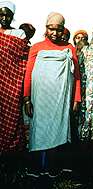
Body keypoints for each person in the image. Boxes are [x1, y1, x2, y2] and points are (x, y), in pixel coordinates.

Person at [23, 12, 81, 176]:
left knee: (58, 131)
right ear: (46, 28)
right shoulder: (36, 47)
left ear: (64, 30)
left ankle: (54, 167)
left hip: (60, 101)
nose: (54, 33)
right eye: (51, 29)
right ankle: (37, 168)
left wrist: (76, 99)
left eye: (59, 29)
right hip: (40, 100)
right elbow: (29, 73)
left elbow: (76, 76)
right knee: (39, 130)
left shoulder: (69, 49)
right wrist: (27, 99)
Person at [0, 1, 28, 152]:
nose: (4, 18)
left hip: (11, 83)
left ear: (13, 17)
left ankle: (11, 152)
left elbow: (23, 60)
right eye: (2, 15)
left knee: (12, 118)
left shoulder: (19, 34)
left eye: (8, 15)